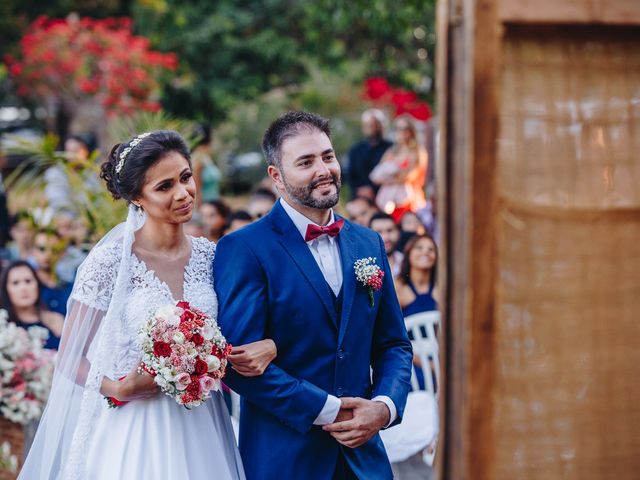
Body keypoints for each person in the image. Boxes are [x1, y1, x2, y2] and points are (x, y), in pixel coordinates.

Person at [19, 130, 278, 479]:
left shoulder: (212, 256)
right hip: (135, 424)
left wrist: (266, 346)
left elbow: (237, 334)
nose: (183, 192)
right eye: (164, 186)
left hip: (205, 424)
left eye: (185, 177)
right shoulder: (111, 262)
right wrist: (118, 387)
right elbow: (70, 353)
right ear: (137, 198)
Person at [214, 111, 413, 480]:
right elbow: (238, 364)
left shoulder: (368, 242)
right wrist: (326, 409)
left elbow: (394, 345)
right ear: (276, 176)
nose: (323, 169)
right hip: (286, 459)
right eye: (305, 162)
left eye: (328, 156)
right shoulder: (244, 248)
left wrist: (383, 408)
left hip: (364, 460)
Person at [369, 116, 427, 221]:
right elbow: (376, 176)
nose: (400, 132)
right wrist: (394, 177)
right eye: (397, 128)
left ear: (411, 131)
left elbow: (409, 176)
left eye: (404, 128)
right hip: (389, 201)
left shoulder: (417, 152)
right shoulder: (391, 152)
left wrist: (390, 178)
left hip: (410, 200)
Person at [0, 260, 63, 350]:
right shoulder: (3, 325)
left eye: (28, 281)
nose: (23, 288)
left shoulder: (55, 320)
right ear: (6, 290)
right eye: (15, 283)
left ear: (37, 284)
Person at [43, 133, 100, 212]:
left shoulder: (90, 174)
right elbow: (57, 202)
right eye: (69, 151)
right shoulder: (56, 174)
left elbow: (98, 201)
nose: (71, 155)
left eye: (76, 150)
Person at [346, 109, 392, 200]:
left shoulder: (390, 148)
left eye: (376, 125)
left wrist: (372, 189)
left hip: (383, 196)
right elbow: (350, 174)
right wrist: (360, 190)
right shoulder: (356, 149)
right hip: (358, 196)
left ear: (382, 126)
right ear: (364, 127)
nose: (373, 128)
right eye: (369, 125)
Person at [29, 229, 73, 316]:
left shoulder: (71, 288)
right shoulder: (24, 285)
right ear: (32, 250)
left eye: (54, 250)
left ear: (62, 253)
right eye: (42, 248)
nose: (48, 254)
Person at [396, 234, 439, 315]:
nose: (425, 252)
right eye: (419, 248)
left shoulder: (441, 288)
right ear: (408, 253)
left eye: (431, 249)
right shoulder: (398, 288)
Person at [191, 123, 222, 205]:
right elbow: (196, 190)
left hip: (213, 204)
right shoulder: (198, 159)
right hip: (205, 207)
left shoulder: (206, 157)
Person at [369, 212, 403, 278]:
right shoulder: (362, 266)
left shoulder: (406, 261)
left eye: (390, 230)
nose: (386, 237)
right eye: (379, 232)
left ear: (398, 232)